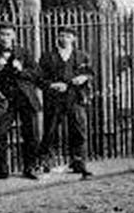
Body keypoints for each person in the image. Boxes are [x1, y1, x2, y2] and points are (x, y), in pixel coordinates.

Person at [0, 23, 42, 179]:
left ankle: (30, 167)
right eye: (2, 34)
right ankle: (2, 169)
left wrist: (21, 70)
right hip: (5, 100)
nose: (5, 38)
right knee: (0, 133)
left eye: (8, 34)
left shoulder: (24, 52)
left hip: (25, 98)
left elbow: (37, 74)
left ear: (14, 36)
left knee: (30, 134)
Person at [37, 27, 94, 179]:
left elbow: (90, 73)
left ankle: (79, 163)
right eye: (61, 36)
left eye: (68, 36)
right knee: (51, 130)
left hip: (75, 97)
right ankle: (47, 163)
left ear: (73, 39)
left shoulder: (81, 56)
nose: (64, 39)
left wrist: (84, 78)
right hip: (55, 99)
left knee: (79, 130)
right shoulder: (48, 57)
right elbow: (40, 78)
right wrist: (51, 85)